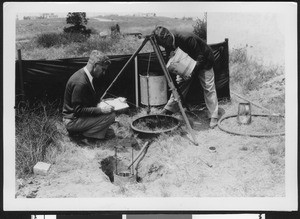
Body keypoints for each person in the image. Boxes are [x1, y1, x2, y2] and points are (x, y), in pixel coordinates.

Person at [152, 26, 219, 128]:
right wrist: (173, 80)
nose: (165, 46)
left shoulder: (186, 38)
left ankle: (213, 115)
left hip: (204, 59)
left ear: (168, 36)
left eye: (164, 44)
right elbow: (170, 61)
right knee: (180, 83)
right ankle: (169, 109)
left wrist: (191, 72)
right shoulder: (167, 42)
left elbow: (200, 56)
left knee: (208, 87)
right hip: (187, 61)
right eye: (162, 45)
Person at [62, 50, 116, 144]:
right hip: (72, 121)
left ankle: (91, 132)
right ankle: (86, 136)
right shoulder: (80, 82)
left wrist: (102, 102)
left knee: (110, 132)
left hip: (76, 118)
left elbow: (85, 101)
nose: (103, 73)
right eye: (103, 69)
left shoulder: (86, 76)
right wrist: (101, 110)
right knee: (110, 116)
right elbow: (78, 110)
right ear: (95, 65)